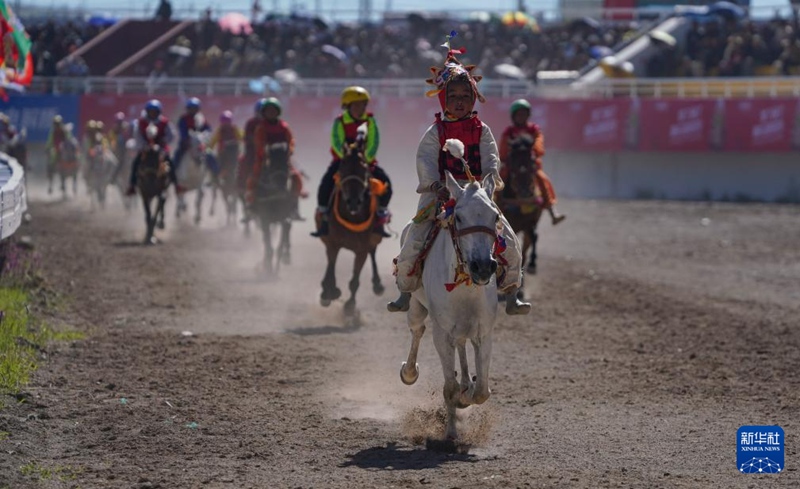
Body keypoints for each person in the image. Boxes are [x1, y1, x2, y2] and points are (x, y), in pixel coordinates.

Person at [387, 34, 530, 315]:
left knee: (510, 241)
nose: (460, 101)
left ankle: (511, 292)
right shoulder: (435, 132)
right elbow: (426, 161)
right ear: (444, 99)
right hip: (442, 195)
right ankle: (406, 288)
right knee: (413, 237)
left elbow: (491, 160)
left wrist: (488, 183)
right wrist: (436, 186)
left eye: (466, 96)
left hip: (477, 196)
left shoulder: (482, 130)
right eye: (454, 97)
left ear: (474, 97)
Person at [311, 86, 392, 238]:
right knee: (326, 183)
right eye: (355, 105)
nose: (359, 108)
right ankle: (324, 218)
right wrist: (346, 156)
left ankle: (380, 217)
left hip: (365, 162)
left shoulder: (370, 120)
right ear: (347, 106)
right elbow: (336, 141)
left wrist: (366, 159)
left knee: (386, 183)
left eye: (362, 105)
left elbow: (374, 141)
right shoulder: (340, 121)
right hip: (343, 161)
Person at [499, 99, 566, 226]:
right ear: (513, 116)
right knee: (499, 180)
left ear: (528, 116)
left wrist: (534, 150)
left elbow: (539, 144)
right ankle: (495, 208)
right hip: (512, 165)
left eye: (523, 114)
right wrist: (505, 157)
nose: (521, 117)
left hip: (531, 164)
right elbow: (502, 149)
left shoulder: (534, 129)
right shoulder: (509, 132)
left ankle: (552, 209)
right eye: (518, 115)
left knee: (542, 179)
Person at [246, 97, 306, 220]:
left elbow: (291, 141)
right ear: (264, 113)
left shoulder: (284, 126)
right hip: (266, 158)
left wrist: (289, 151)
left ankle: (295, 205)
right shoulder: (261, 128)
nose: (271, 113)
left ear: (278, 112)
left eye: (273, 111)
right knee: (254, 175)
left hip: (283, 157)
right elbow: (259, 142)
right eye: (268, 111)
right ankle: (251, 204)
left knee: (296, 175)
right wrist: (265, 152)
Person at [126, 99, 183, 195]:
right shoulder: (141, 122)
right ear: (147, 112)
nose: (152, 114)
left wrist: (164, 141)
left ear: (158, 112)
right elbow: (137, 136)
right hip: (145, 149)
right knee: (136, 163)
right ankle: (132, 186)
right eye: (151, 111)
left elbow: (171, 135)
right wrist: (145, 145)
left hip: (161, 149)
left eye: (155, 112)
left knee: (170, 163)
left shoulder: (164, 122)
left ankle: (176, 185)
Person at [173, 97, 218, 176]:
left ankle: (216, 175)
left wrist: (204, 138)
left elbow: (208, 130)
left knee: (209, 154)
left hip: (200, 144)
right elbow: (182, 131)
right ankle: (172, 175)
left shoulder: (202, 119)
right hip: (186, 143)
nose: (193, 110)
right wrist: (187, 140)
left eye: (195, 108)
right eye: (191, 108)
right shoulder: (183, 119)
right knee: (178, 155)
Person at [209, 110, 242, 176]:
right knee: (220, 164)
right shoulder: (220, 130)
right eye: (224, 121)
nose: (226, 123)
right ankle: (218, 177)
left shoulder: (234, 129)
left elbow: (242, 137)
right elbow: (213, 141)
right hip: (222, 153)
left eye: (227, 121)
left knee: (234, 166)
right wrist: (209, 148)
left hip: (233, 153)